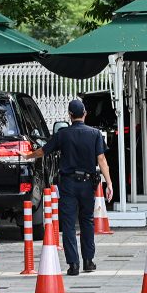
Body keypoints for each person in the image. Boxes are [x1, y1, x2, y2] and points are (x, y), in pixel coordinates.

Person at [28, 98, 113, 276]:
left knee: (68, 224)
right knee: (87, 222)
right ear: (85, 114)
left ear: (70, 115)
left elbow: (43, 151)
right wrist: (109, 183)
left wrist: (28, 155)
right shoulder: (95, 134)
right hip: (88, 183)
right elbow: (101, 159)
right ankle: (88, 261)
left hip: (68, 184)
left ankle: (73, 264)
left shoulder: (63, 134)